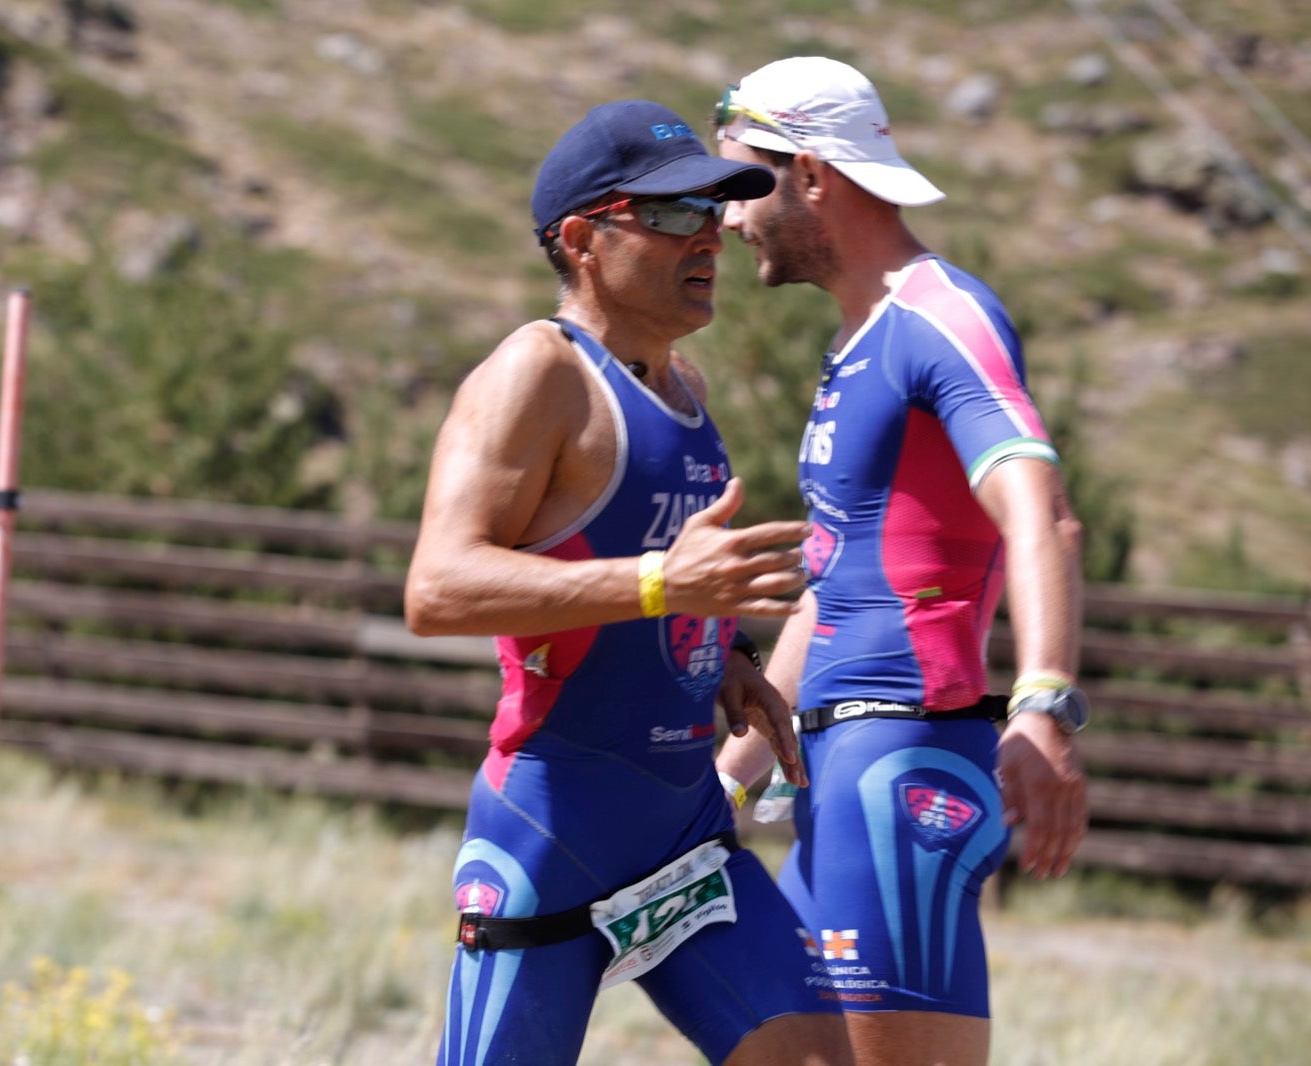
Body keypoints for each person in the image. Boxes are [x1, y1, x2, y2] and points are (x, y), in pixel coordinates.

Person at [404, 99, 853, 1066]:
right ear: (582, 239)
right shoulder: (538, 372)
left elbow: (658, 576)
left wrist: (723, 653)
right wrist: (659, 585)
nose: (712, 241)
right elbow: (437, 586)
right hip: (553, 828)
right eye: (675, 216)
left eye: (715, 214)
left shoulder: (684, 385)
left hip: (685, 830)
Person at [709, 57, 1090, 1066]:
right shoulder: (858, 344)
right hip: (834, 771)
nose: (729, 219)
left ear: (813, 176)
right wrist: (736, 773)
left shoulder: (938, 317)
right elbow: (833, 595)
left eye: (743, 186)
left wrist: (1044, 704)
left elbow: (1042, 516)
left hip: (900, 768)